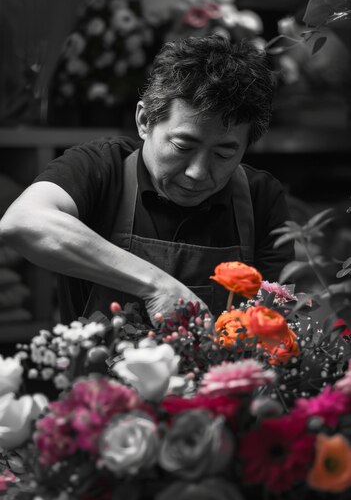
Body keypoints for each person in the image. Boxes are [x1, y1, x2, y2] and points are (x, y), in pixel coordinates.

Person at [0, 34, 294, 324]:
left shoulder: (260, 197)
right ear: (144, 121)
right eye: (183, 146)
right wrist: (157, 286)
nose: (198, 172)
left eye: (224, 153)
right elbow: (22, 222)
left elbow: (279, 321)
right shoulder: (102, 167)